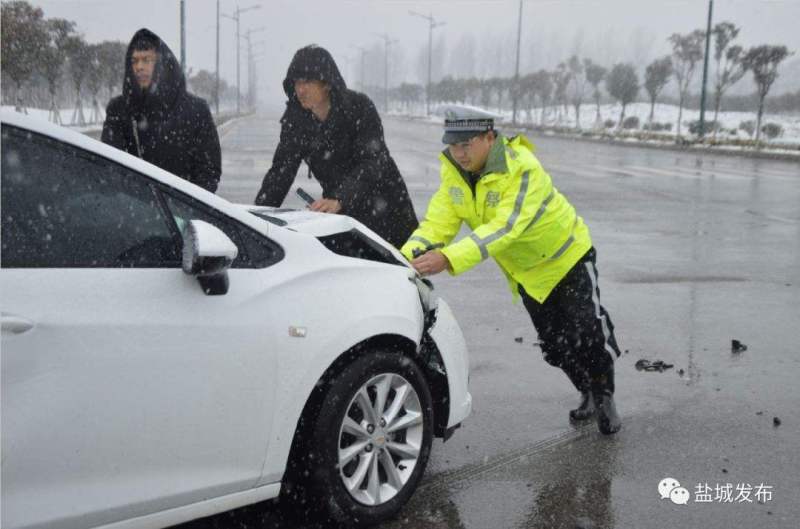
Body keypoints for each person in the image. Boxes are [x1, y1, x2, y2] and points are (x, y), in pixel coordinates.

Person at [401, 107, 622, 435]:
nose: (459, 153)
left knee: (587, 332)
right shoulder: (455, 175)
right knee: (555, 345)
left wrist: (448, 259)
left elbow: (504, 228)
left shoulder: (521, 168)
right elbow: (438, 222)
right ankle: (586, 389)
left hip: (567, 259)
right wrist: (406, 256)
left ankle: (604, 395)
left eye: (467, 144)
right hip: (529, 274)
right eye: (453, 145)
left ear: (489, 138)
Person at [254, 45, 418, 248]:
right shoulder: (296, 119)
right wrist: (256, 219)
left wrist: (340, 197)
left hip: (385, 205)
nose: (300, 89)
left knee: (395, 271)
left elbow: (373, 161)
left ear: (326, 83)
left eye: (307, 81)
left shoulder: (358, 107)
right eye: (296, 82)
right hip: (340, 212)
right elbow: (281, 170)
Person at [102, 29, 221, 193]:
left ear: (162, 64)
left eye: (147, 60)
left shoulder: (196, 110)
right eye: (134, 61)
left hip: (182, 212)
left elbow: (209, 171)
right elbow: (110, 167)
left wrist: (186, 209)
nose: (139, 67)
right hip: (133, 210)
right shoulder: (119, 110)